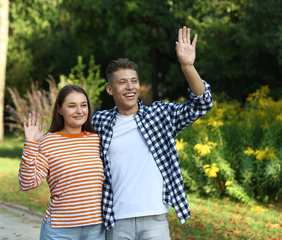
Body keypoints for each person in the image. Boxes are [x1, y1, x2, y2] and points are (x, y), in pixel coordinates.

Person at [92, 26, 214, 239]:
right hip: (116, 219)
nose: (130, 87)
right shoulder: (99, 122)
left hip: (155, 218)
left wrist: (187, 66)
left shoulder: (159, 115)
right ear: (110, 90)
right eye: (122, 82)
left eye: (134, 81)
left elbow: (201, 104)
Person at [18, 85, 105, 240]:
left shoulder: (97, 140)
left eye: (83, 105)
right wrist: (30, 143)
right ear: (59, 109)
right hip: (60, 230)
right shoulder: (48, 142)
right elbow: (27, 183)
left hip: (96, 229)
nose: (79, 111)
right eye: (72, 106)